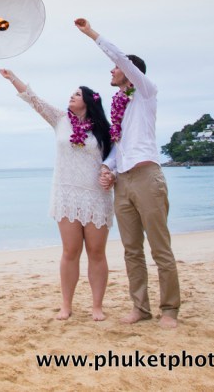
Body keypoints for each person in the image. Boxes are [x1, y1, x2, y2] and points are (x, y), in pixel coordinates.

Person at [74, 17, 181, 329]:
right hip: (123, 182)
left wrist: (91, 34)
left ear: (130, 71)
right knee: (132, 250)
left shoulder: (146, 92)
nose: (112, 71)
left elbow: (119, 57)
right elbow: (119, 147)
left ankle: (170, 310)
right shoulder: (119, 104)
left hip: (147, 177)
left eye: (116, 68)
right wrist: (107, 168)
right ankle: (140, 308)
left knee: (160, 248)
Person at [0, 68, 114, 321]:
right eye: (72, 93)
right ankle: (66, 305)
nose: (72, 96)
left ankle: (97, 306)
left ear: (89, 101)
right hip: (66, 194)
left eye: (77, 94)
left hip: (96, 195)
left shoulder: (104, 129)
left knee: (96, 253)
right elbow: (34, 100)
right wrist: (13, 78)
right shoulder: (60, 120)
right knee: (70, 251)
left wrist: (110, 175)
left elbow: (114, 160)